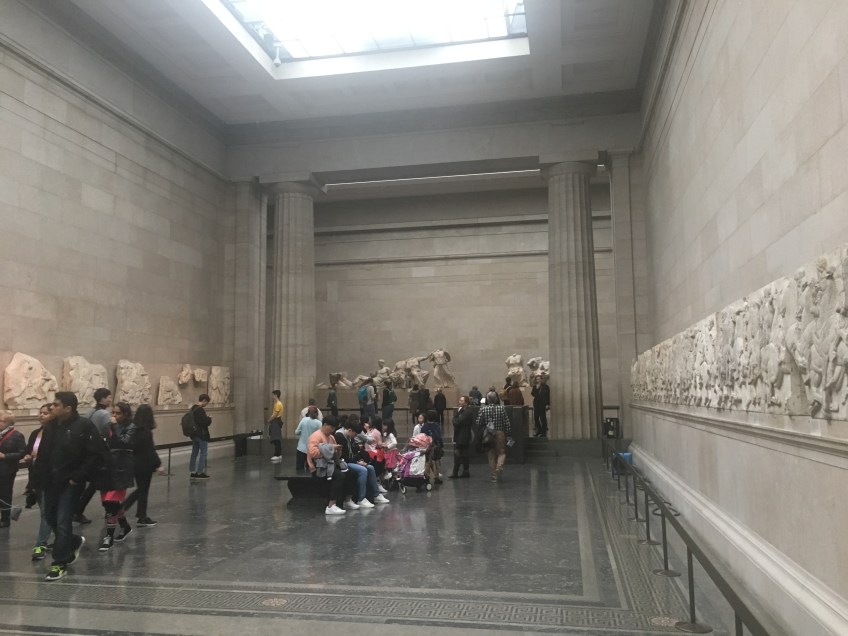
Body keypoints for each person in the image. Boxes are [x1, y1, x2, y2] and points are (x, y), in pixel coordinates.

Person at [33, 391, 108, 582]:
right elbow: (42, 456)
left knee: (62, 520)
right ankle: (73, 541)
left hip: (70, 482)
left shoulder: (83, 426)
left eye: (56, 404)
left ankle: (59, 563)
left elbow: (95, 453)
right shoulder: (50, 427)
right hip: (50, 481)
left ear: (68, 408)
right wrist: (35, 482)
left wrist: (78, 477)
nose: (52, 407)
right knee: (50, 516)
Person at [98, 402, 136, 552]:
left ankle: (109, 536)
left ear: (125, 414)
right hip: (108, 467)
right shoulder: (109, 426)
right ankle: (125, 526)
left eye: (117, 413)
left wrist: (114, 427)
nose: (114, 416)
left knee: (110, 501)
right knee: (108, 502)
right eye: (113, 412)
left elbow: (124, 442)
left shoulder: (131, 427)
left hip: (122, 467)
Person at [74, 387, 112, 525]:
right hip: (99, 452)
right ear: (102, 399)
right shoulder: (104, 414)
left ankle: (78, 510)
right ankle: (79, 511)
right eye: (109, 397)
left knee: (93, 484)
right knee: (99, 483)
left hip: (87, 451)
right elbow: (108, 432)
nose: (110, 399)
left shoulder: (90, 412)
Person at [122, 404, 163, 527]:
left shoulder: (132, 429)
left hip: (134, 462)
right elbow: (150, 450)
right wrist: (158, 464)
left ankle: (137, 513)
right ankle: (140, 516)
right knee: (143, 490)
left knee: (141, 489)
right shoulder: (146, 432)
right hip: (145, 464)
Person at [335, 419, 389, 509]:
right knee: (363, 470)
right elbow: (344, 457)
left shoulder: (349, 437)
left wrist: (359, 460)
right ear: (350, 430)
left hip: (350, 461)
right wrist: (357, 462)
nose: (355, 436)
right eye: (355, 434)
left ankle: (376, 495)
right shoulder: (340, 436)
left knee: (370, 467)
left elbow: (352, 453)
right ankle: (361, 498)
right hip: (343, 462)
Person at [23, 404, 54, 559]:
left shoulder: (56, 433)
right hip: (37, 477)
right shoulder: (35, 433)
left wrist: (40, 456)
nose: (41, 415)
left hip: (51, 478)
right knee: (47, 513)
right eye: (40, 413)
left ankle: (40, 545)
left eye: (45, 413)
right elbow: (28, 450)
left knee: (47, 513)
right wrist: (29, 456)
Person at [306, 417, 347, 515]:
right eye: (331, 428)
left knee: (350, 473)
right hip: (318, 467)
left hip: (330, 465)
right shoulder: (315, 436)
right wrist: (330, 448)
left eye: (334, 428)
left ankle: (346, 500)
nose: (332, 430)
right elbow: (313, 453)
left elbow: (336, 455)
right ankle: (331, 505)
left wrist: (337, 450)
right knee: (339, 476)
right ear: (325, 425)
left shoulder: (331, 437)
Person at [476, 391, 511, 482]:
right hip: (499, 433)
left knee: (491, 454)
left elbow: (478, 422)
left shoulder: (483, 409)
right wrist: (508, 433)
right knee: (501, 452)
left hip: (488, 434)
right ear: (496, 399)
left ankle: (494, 476)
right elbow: (507, 423)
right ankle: (499, 467)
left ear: (487, 399)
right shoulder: (501, 408)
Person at [0, 411, 26, 529]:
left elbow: (22, 453)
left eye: (1, 421)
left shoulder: (17, 436)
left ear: (8, 422)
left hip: (7, 470)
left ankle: (5, 519)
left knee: (5, 494)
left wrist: (5, 456)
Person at [450, 396, 474, 479]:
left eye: (461, 400)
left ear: (466, 402)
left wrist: (454, 419)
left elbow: (458, 422)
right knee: (464, 454)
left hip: (463, 436)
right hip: (461, 435)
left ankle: (456, 472)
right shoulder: (462, 410)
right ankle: (465, 471)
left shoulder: (467, 412)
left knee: (459, 453)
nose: (459, 401)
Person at [189, 394, 212, 479]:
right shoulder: (200, 410)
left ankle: (192, 471)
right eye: (207, 403)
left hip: (194, 434)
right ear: (204, 400)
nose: (206, 404)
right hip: (202, 435)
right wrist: (209, 419)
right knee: (203, 453)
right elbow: (204, 423)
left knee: (194, 453)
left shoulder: (193, 408)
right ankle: (199, 472)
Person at [294, 406, 322, 472]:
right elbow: (320, 436)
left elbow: (296, 432)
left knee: (299, 469)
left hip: (301, 448)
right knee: (311, 469)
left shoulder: (304, 420)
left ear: (308, 413)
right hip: (312, 450)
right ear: (317, 414)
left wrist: (303, 432)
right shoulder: (319, 423)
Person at [420, 410, 443, 484]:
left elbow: (421, 436)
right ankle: (436, 477)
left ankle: (426, 477)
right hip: (436, 446)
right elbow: (439, 437)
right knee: (436, 462)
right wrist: (441, 445)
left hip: (427, 446)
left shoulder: (424, 426)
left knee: (427, 462)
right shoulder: (437, 426)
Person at [268, 390, 284, 463]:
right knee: (276, 438)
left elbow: (274, 415)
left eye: (273, 395)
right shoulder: (278, 403)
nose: (272, 396)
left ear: (276, 395)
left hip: (276, 422)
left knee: (276, 438)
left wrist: (269, 420)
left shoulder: (278, 404)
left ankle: (277, 454)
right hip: (276, 422)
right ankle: (278, 454)